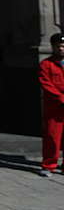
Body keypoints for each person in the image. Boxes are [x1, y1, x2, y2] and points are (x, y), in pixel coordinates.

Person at [38, 33, 64, 177]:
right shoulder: (46, 64)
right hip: (54, 107)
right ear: (53, 48)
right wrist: (61, 98)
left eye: (63, 46)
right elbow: (46, 83)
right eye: (58, 46)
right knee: (52, 136)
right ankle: (49, 165)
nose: (61, 49)